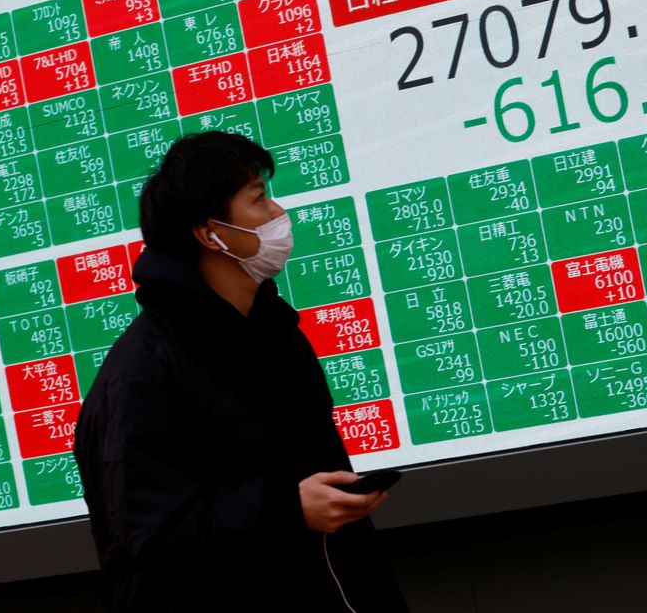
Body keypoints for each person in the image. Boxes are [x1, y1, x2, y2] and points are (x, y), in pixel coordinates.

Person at [73, 131, 409, 612]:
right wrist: (288, 511)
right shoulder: (142, 374)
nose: (278, 214)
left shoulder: (275, 334)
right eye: (259, 198)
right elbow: (150, 538)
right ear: (209, 233)